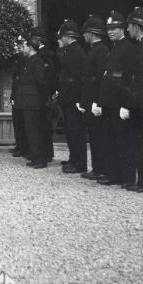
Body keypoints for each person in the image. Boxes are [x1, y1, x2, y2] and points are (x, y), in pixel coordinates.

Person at [97, 11, 137, 186]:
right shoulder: (113, 48)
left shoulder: (128, 48)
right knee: (111, 139)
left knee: (123, 140)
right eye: (109, 29)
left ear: (123, 29)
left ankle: (127, 177)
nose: (111, 31)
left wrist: (126, 104)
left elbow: (129, 78)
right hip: (110, 101)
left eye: (115, 28)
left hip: (120, 100)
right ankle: (114, 174)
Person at [77, 15, 109, 180]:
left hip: (95, 99)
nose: (83, 36)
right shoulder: (93, 50)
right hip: (90, 99)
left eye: (85, 33)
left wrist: (98, 100)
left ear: (92, 33)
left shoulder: (101, 50)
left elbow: (100, 78)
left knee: (99, 136)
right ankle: (97, 167)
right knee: (94, 136)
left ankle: (101, 168)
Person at [13, 35, 50, 169]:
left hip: (33, 102)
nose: (22, 49)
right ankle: (36, 157)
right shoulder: (30, 61)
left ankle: (40, 159)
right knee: (31, 131)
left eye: (24, 47)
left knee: (35, 132)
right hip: (28, 102)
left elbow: (41, 82)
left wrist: (43, 99)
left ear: (30, 47)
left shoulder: (36, 61)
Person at [56, 19, 87, 174]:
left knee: (76, 131)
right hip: (68, 97)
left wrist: (75, 99)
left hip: (73, 99)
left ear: (68, 36)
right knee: (70, 130)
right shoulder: (71, 50)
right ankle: (74, 158)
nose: (60, 39)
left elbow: (76, 78)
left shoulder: (75, 52)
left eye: (62, 36)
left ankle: (79, 163)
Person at [123, 7, 143, 193]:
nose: (128, 30)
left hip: (140, 105)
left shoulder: (139, 49)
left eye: (129, 26)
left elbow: (137, 81)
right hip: (140, 103)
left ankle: (142, 182)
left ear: (137, 27)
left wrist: (129, 105)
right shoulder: (139, 47)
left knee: (139, 142)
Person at [30, 27, 57, 162]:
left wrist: (49, 93)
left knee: (43, 126)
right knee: (43, 126)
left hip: (44, 94)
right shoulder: (43, 53)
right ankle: (46, 154)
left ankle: (44, 155)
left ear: (38, 40)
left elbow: (48, 76)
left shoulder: (44, 54)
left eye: (33, 39)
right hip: (44, 93)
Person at [9, 42, 28, 158]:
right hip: (16, 92)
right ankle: (19, 145)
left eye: (18, 46)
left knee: (21, 122)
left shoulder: (24, 59)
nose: (15, 47)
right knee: (17, 121)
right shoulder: (16, 58)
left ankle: (23, 147)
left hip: (21, 93)